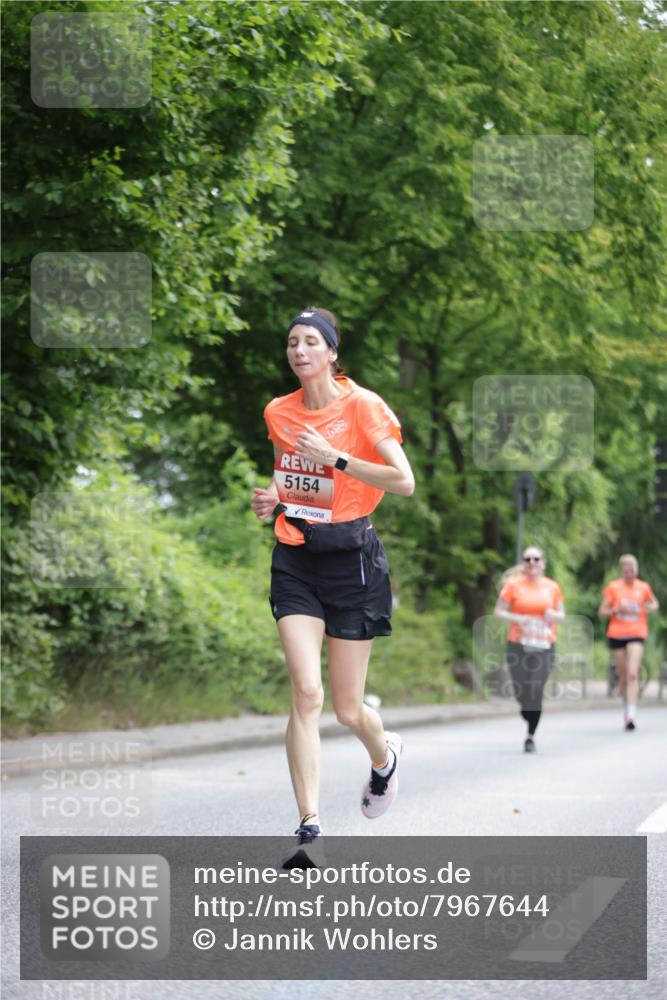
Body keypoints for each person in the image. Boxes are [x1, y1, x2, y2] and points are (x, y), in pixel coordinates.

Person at [251, 306, 415, 868]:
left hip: (353, 561)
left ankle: (384, 756)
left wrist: (339, 458)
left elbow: (405, 481)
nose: (299, 351)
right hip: (296, 555)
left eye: (310, 342)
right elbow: (287, 472)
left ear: (331, 352)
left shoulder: (363, 406)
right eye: (292, 342)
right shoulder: (279, 410)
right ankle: (309, 826)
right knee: (306, 692)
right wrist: (272, 495)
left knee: (347, 710)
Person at [493, 546, 565, 753]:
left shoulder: (552, 587)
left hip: (545, 645)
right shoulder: (513, 585)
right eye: (528, 559)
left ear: (543, 563)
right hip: (518, 644)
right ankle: (527, 710)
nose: (532, 562)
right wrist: (518, 618)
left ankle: (530, 736)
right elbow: (498, 612)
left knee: (535, 688)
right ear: (523, 563)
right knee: (521, 691)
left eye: (536, 559)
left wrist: (552, 615)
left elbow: (562, 615)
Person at [598, 554, 659, 731]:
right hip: (617, 634)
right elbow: (602, 611)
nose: (629, 574)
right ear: (622, 571)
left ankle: (631, 714)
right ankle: (626, 707)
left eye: (632, 571)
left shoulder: (643, 587)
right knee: (624, 677)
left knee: (633, 673)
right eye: (626, 571)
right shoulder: (613, 587)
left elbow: (654, 603)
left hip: (637, 633)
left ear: (636, 571)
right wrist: (617, 609)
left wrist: (648, 607)